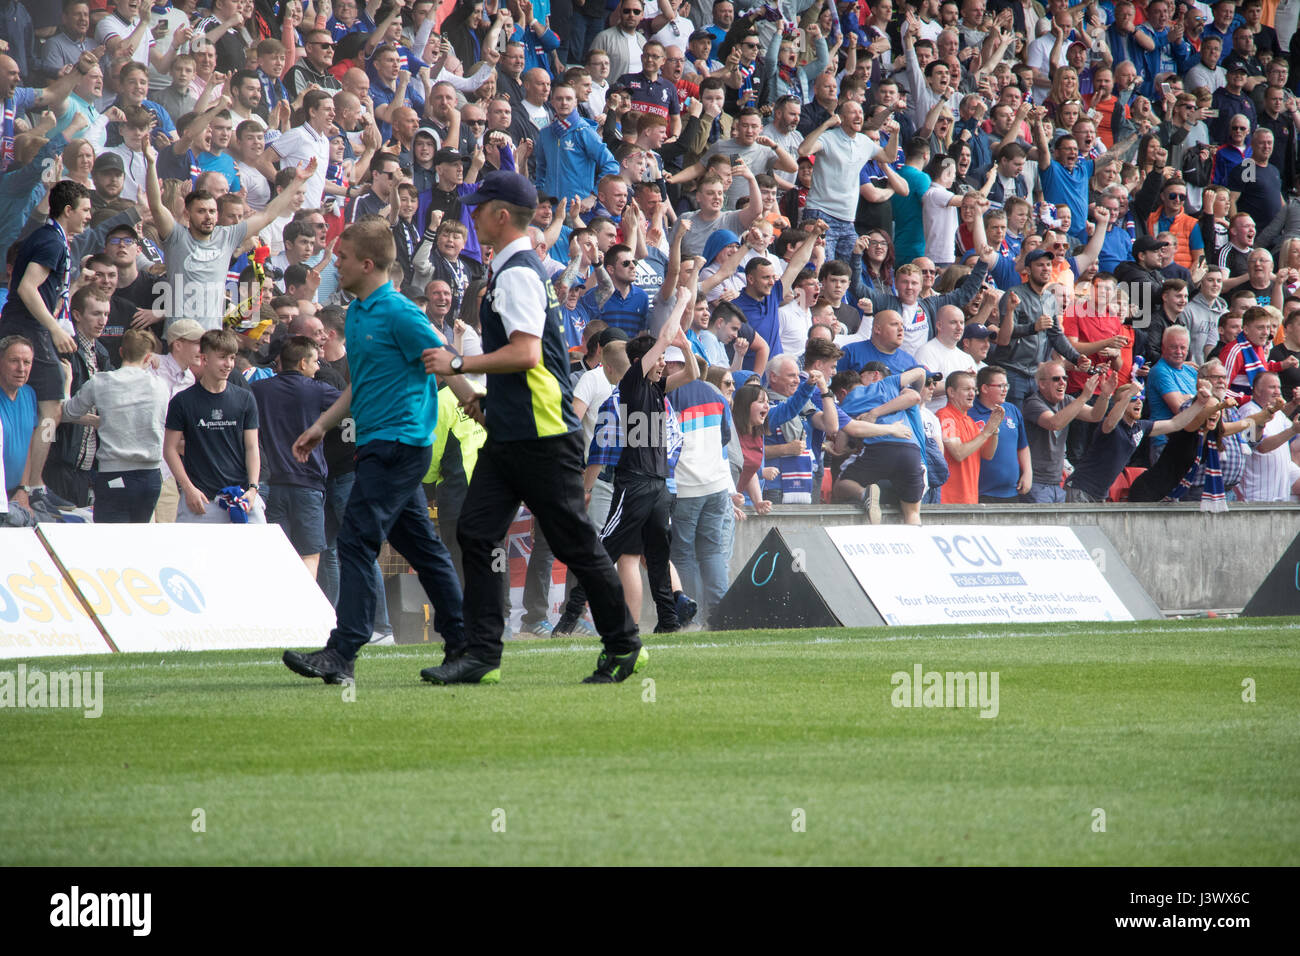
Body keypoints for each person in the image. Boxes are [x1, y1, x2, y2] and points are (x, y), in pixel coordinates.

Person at [421, 171, 644, 685]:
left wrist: (458, 366)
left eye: (478, 208)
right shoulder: (516, 267)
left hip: (542, 436)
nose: (470, 216)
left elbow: (524, 353)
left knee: (575, 544)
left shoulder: (517, 271)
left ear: (501, 215)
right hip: (515, 431)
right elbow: (533, 359)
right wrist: (490, 403)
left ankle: (625, 645)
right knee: (476, 533)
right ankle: (482, 654)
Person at [281, 219, 468, 686]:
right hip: (376, 445)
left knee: (355, 540)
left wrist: (476, 404)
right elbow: (360, 387)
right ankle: (467, 645)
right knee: (423, 549)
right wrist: (322, 426)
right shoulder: (359, 312)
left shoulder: (401, 313)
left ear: (367, 264)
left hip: (400, 445)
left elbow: (443, 361)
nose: (335, 262)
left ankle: (343, 651)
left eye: (341, 257)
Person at [0, 179, 93, 515]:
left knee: (47, 407)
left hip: (27, 327)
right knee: (52, 407)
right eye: (84, 210)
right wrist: (53, 329)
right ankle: (34, 486)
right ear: (67, 211)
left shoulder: (50, 236)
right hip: (28, 329)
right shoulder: (51, 241)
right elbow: (26, 288)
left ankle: (31, 483)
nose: (88, 217)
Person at [252, 336, 342, 579]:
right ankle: (305, 614)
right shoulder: (317, 390)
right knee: (309, 555)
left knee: (276, 555)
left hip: (271, 485)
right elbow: (351, 405)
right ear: (302, 363)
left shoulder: (258, 390)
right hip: (308, 484)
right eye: (315, 362)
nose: (318, 367)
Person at [61, 329, 170, 522]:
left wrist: (67, 382)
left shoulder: (101, 382)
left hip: (114, 472)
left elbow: (67, 412)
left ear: (120, 352)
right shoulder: (161, 385)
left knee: (110, 542)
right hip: (150, 475)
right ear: (148, 357)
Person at [163, 330, 268, 525]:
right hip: (201, 499)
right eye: (222, 358)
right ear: (204, 359)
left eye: (232, 358)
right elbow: (169, 449)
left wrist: (253, 489)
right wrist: (188, 488)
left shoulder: (244, 398)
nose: (228, 364)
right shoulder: (183, 401)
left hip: (241, 497)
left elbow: (252, 447)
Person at [1022, 362, 1114, 503]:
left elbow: (1095, 415)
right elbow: (1054, 423)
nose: (1062, 383)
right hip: (1035, 482)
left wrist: (1105, 395)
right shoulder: (1033, 403)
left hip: (1056, 481)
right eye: (1056, 379)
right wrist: (1083, 397)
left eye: (1065, 378)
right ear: (1041, 384)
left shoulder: (1067, 401)